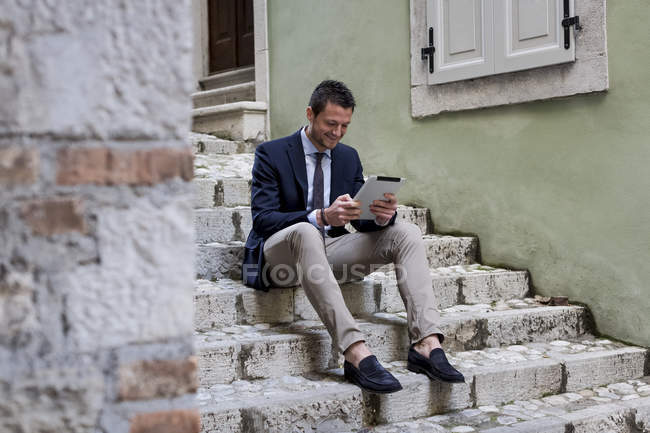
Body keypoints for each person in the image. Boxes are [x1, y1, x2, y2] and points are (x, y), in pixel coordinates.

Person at [242, 80, 464, 393]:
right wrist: (319, 216)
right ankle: (355, 350)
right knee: (307, 229)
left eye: (345, 125)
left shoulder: (347, 157)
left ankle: (426, 344)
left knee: (406, 232)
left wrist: (381, 215)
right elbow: (263, 220)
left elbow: (359, 223)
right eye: (330, 124)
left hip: (326, 253)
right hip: (279, 255)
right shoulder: (271, 153)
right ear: (310, 114)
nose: (337, 133)